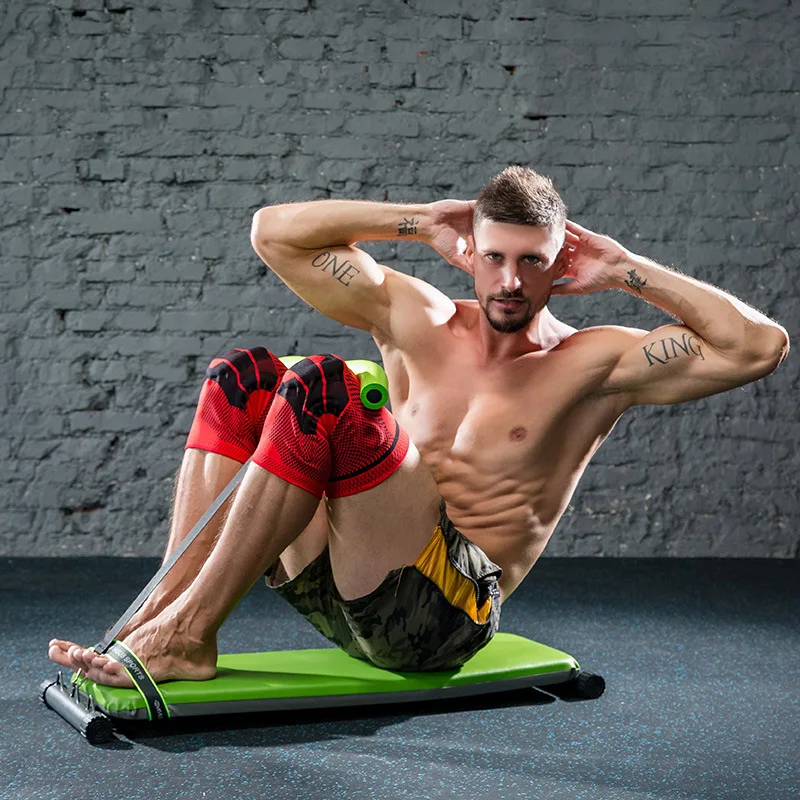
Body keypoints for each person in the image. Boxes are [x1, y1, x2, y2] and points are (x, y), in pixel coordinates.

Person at [49, 166, 789, 686]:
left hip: (439, 621)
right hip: (335, 585)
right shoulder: (419, 320)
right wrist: (421, 221)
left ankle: (185, 634)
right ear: (469, 252)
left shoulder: (593, 365)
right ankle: (161, 616)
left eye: (531, 261)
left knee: (326, 388)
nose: (509, 281)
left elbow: (758, 347)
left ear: (562, 262)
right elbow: (272, 233)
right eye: (493, 256)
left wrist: (625, 268)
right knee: (241, 377)